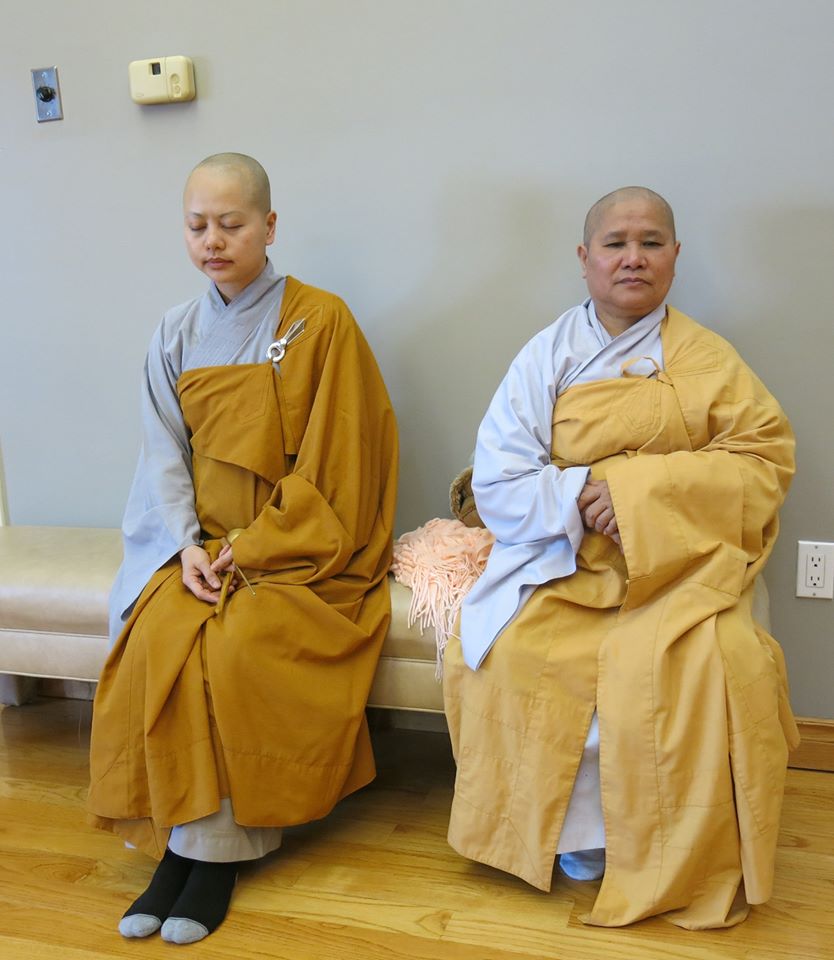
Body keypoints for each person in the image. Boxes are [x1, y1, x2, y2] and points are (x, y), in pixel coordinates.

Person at [442, 186, 797, 929]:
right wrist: (581, 495)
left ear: (675, 256)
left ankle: (672, 850)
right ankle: (577, 839)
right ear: (585, 258)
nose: (633, 258)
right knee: (516, 655)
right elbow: (500, 482)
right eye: (616, 243)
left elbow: (764, 461)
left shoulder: (709, 358)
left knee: (715, 661)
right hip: (567, 562)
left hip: (681, 568)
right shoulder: (545, 356)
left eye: (651, 242)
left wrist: (638, 493)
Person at [87, 153, 398, 944]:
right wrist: (185, 548)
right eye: (198, 226)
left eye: (231, 224)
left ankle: (212, 860)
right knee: (159, 635)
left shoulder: (321, 321)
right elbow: (162, 454)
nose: (213, 241)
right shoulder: (175, 331)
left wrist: (258, 546)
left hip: (299, 551)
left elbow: (341, 467)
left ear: (269, 225)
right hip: (200, 548)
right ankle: (178, 844)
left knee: (236, 646)